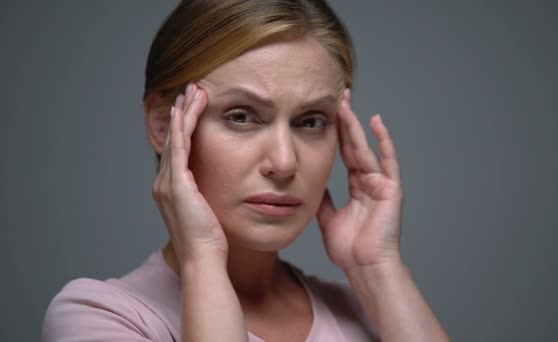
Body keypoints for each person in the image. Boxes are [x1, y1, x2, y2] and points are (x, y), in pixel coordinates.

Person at [42, 1, 450, 341]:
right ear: (164, 125)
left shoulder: (371, 314)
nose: (285, 163)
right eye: (241, 116)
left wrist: (376, 267)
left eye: (310, 121)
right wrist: (202, 258)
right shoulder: (100, 317)